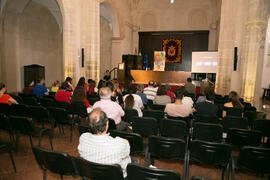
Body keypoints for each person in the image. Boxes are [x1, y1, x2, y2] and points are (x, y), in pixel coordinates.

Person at [78, 108, 131, 177]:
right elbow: (126, 153)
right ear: (107, 124)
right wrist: (125, 142)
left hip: (92, 174)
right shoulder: (120, 144)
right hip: (115, 176)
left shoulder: (83, 138)